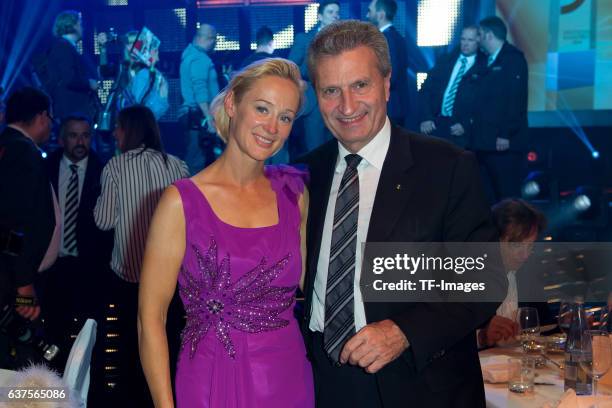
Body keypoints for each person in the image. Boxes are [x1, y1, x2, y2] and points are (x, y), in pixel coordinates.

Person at [296, 20, 506, 407]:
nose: (347, 106)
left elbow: (484, 280)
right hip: (322, 385)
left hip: (419, 385)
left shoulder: (446, 167)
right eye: (331, 91)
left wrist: (403, 331)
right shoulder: (304, 174)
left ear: (387, 83)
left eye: (360, 85)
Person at [138, 58, 313, 407]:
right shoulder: (181, 202)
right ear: (233, 103)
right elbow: (150, 319)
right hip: (210, 379)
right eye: (262, 108)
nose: (272, 127)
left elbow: (312, 289)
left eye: (285, 117)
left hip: (288, 378)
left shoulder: (294, 194)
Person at [94, 106, 188, 406]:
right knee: (169, 349)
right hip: (172, 280)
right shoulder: (178, 166)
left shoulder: (116, 167)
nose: (114, 133)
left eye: (118, 128)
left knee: (131, 356)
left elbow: (103, 220)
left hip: (129, 277)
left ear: (129, 129)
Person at [42, 115, 113, 397]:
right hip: (53, 266)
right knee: (52, 331)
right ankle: (51, 390)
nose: (81, 141)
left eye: (85, 135)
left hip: (89, 266)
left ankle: (88, 393)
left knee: (90, 331)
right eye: (74, 135)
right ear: (62, 138)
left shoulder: (103, 170)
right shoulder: (46, 168)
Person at [0, 87, 58, 368]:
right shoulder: (21, 153)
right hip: (14, 281)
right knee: (22, 359)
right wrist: (24, 285)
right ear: (41, 117)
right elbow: (17, 223)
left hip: (14, 275)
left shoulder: (9, 146)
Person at [478, 198, 553, 347]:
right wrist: (481, 337)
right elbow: (445, 338)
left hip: (518, 365)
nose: (524, 255)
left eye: (530, 246)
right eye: (517, 245)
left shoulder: (527, 273)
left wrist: (567, 324)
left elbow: (545, 325)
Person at [472, 16, 528, 202]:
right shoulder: (486, 61)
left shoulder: (513, 59)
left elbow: (515, 100)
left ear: (488, 35)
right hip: (485, 143)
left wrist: (505, 133)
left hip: (504, 143)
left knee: (508, 196)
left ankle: (516, 232)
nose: (477, 39)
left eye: (479, 34)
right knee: (489, 196)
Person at [419, 25, 486, 148]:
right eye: (463, 39)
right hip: (436, 124)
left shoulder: (484, 67)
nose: (465, 44)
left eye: (470, 40)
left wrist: (466, 124)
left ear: (478, 41)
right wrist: (426, 117)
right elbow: (426, 89)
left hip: (461, 129)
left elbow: (484, 103)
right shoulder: (445, 60)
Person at [288, 1, 339, 157]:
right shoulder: (304, 39)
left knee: (337, 147)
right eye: (330, 12)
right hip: (314, 100)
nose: (335, 16)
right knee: (316, 148)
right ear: (320, 16)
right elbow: (291, 67)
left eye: (337, 13)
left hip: (338, 101)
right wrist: (299, 83)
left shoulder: (345, 41)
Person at [37, 10, 100, 121]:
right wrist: (89, 83)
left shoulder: (65, 46)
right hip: (72, 110)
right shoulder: (63, 47)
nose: (82, 28)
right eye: (80, 24)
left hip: (72, 110)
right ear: (73, 26)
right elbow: (69, 78)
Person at [179, 23, 220, 174]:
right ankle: (190, 196)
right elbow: (200, 89)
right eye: (214, 40)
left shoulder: (188, 55)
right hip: (199, 118)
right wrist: (209, 117)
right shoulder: (200, 58)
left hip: (191, 116)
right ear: (209, 39)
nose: (215, 44)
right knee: (197, 161)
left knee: (194, 159)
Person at [366, 0, 410, 127]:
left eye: (370, 11)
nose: (367, 15)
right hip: (395, 106)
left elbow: (392, 75)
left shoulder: (385, 39)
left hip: (389, 107)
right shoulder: (397, 37)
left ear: (381, 15)